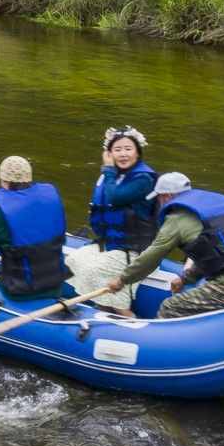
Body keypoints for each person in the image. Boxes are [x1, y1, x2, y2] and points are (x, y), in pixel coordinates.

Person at [100, 171, 224, 318]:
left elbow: (151, 257)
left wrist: (122, 280)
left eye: (159, 197)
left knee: (170, 306)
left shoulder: (176, 220)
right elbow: (217, 255)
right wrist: (185, 278)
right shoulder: (209, 210)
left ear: (166, 196)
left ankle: (164, 351)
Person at [64, 126, 157, 315]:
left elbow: (115, 197)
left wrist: (108, 169)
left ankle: (126, 315)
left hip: (135, 249)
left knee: (94, 270)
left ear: (138, 152)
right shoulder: (112, 175)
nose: (123, 154)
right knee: (74, 259)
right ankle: (103, 309)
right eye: (118, 149)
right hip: (111, 243)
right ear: (110, 153)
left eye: (128, 149)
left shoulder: (143, 179)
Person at [0, 156, 68, 301]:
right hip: (55, 285)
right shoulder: (50, 200)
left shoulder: (2, 217)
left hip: (21, 290)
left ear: (4, 181)